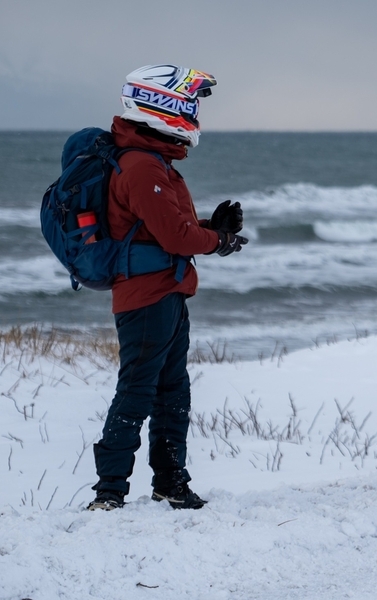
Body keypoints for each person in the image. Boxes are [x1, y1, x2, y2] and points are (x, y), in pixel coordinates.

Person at [87, 65, 248, 511]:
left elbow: (162, 228)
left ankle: (170, 483)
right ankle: (109, 494)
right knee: (137, 391)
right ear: (163, 105)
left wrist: (209, 227)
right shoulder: (141, 165)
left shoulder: (153, 160)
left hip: (168, 291)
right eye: (189, 103)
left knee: (172, 390)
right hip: (146, 297)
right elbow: (175, 238)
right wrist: (218, 242)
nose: (194, 112)